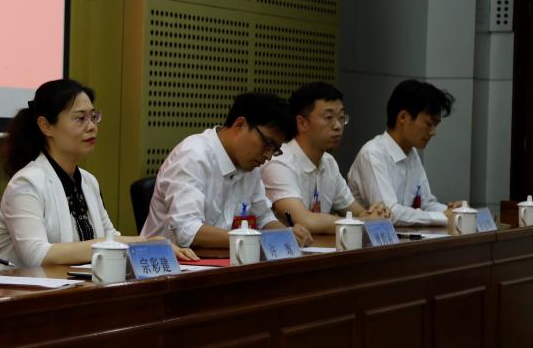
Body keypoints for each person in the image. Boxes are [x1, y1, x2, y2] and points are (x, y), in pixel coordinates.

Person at [0, 79, 197, 268]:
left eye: (93, 117)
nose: (91, 127)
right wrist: (135, 242)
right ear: (46, 126)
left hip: (74, 287)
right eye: (80, 118)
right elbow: (36, 255)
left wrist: (150, 244)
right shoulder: (26, 183)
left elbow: (111, 237)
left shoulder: (88, 181)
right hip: (15, 290)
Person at [141, 92, 313, 249]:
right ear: (240, 125)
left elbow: (263, 218)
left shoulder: (250, 165)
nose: (268, 156)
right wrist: (258, 239)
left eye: (275, 149)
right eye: (267, 144)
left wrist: (286, 235)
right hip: (168, 266)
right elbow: (187, 231)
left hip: (220, 262)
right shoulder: (193, 156)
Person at [261, 82, 390, 234]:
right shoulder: (279, 161)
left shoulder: (328, 162)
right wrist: (366, 221)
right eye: (328, 117)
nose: (338, 126)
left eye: (341, 117)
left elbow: (358, 212)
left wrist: (375, 213)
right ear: (302, 123)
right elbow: (305, 221)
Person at [347, 79, 462, 226]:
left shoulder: (411, 153)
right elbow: (390, 213)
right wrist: (443, 217)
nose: (433, 132)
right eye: (429, 124)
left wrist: (455, 212)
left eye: (436, 125)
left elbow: (427, 204)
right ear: (403, 118)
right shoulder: (372, 154)